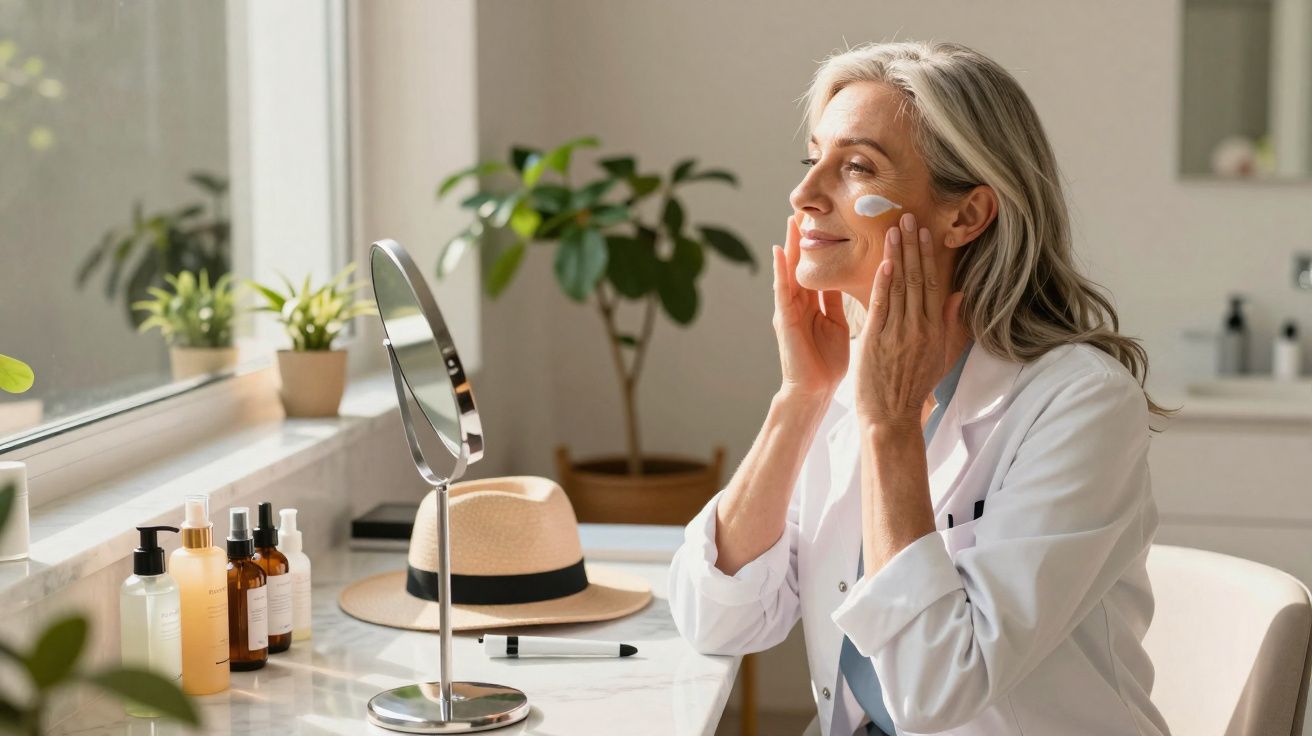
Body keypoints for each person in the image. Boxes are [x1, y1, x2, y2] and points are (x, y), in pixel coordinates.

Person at [668, 40, 1173, 736]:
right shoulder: (844, 382)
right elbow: (714, 619)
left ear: (965, 216)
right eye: (812, 160)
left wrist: (890, 426)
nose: (804, 195)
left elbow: (935, 691)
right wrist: (800, 398)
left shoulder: (1082, 404)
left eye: (856, 167)